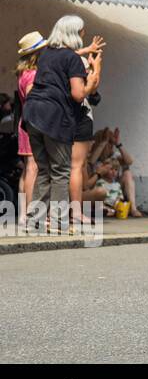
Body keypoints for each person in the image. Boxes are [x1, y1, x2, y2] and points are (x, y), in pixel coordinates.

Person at [20, 15, 99, 232]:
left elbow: (64, 61)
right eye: (81, 31)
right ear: (74, 33)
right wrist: (91, 81)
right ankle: (59, 222)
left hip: (33, 114)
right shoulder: (72, 59)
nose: (83, 35)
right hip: (54, 116)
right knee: (61, 171)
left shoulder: (46, 55)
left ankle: (35, 220)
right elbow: (77, 94)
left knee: (43, 169)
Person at [68, 32, 106, 225]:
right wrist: (96, 69)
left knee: (62, 168)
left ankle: (56, 212)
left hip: (62, 119)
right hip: (80, 117)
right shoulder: (77, 63)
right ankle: (75, 212)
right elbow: (90, 93)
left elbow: (94, 96)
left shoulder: (54, 60)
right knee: (76, 166)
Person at [14, 31, 45, 207]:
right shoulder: (33, 75)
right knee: (33, 168)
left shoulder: (22, 74)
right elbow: (34, 101)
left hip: (24, 123)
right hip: (32, 124)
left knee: (27, 169)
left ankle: (24, 214)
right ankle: (31, 213)